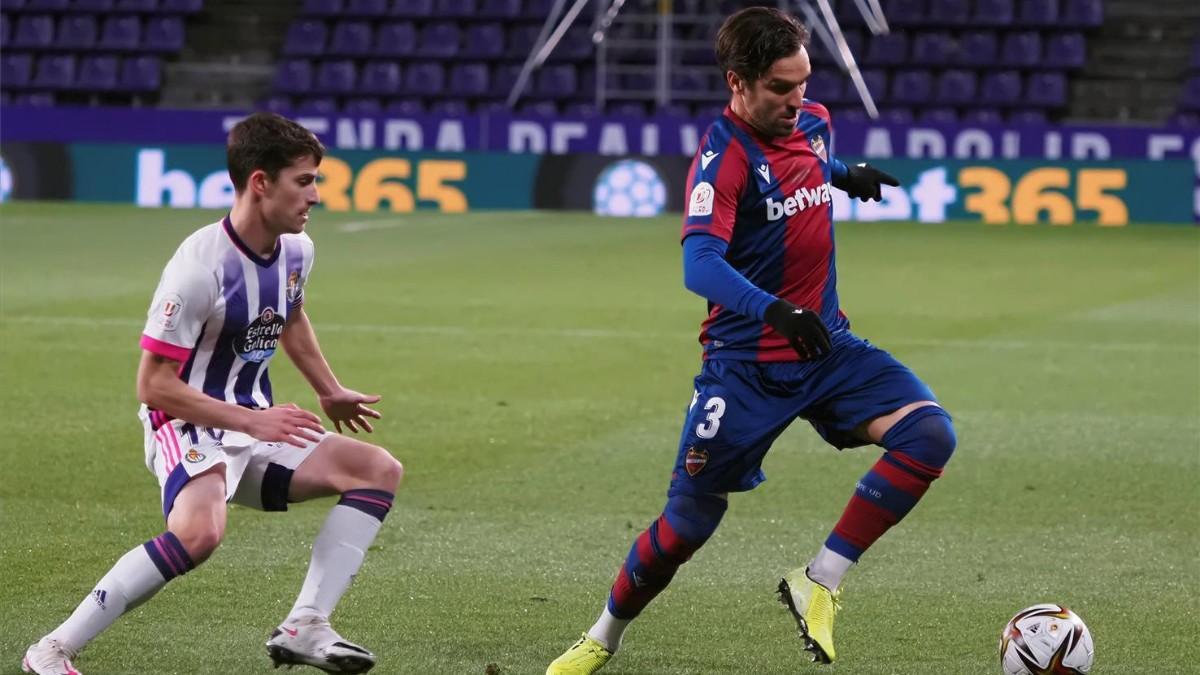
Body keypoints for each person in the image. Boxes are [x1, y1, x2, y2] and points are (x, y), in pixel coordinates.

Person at [547, 7, 956, 673]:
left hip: (828, 348)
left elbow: (809, 161)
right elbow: (699, 265)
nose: (798, 100)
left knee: (930, 434)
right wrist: (775, 311)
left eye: (803, 83)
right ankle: (602, 636)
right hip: (747, 368)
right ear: (738, 82)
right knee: (686, 526)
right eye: (780, 88)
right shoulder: (723, 159)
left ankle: (819, 578)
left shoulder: (814, 122)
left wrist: (846, 173)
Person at [22, 112, 403, 675]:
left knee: (377, 469)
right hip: (186, 421)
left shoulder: (297, 250)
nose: (316, 196)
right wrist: (251, 424)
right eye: (304, 180)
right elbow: (153, 386)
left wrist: (330, 390)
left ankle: (305, 625)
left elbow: (289, 313)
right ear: (260, 183)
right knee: (198, 534)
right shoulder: (199, 269)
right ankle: (51, 650)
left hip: (254, 421)